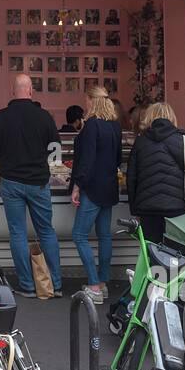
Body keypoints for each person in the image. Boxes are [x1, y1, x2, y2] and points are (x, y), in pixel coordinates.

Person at [0, 73, 62, 299]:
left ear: (12, 91)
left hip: (11, 182)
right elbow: (55, 150)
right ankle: (55, 285)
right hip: (39, 183)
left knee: (18, 233)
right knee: (46, 231)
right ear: (30, 91)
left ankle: (27, 286)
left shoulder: (2, 117)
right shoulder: (44, 116)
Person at [125, 102, 185, 246]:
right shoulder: (183, 140)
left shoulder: (141, 141)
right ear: (172, 117)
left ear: (149, 117)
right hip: (177, 207)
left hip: (148, 208)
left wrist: (135, 208)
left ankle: (153, 269)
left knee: (152, 251)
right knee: (176, 253)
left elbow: (131, 177)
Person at [69, 85, 122, 304]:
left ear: (92, 100)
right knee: (104, 236)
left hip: (92, 188)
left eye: (87, 100)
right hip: (109, 186)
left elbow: (87, 160)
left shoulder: (91, 126)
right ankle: (102, 282)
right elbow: (118, 159)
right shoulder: (115, 127)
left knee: (79, 235)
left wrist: (77, 185)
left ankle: (93, 285)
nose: (86, 105)